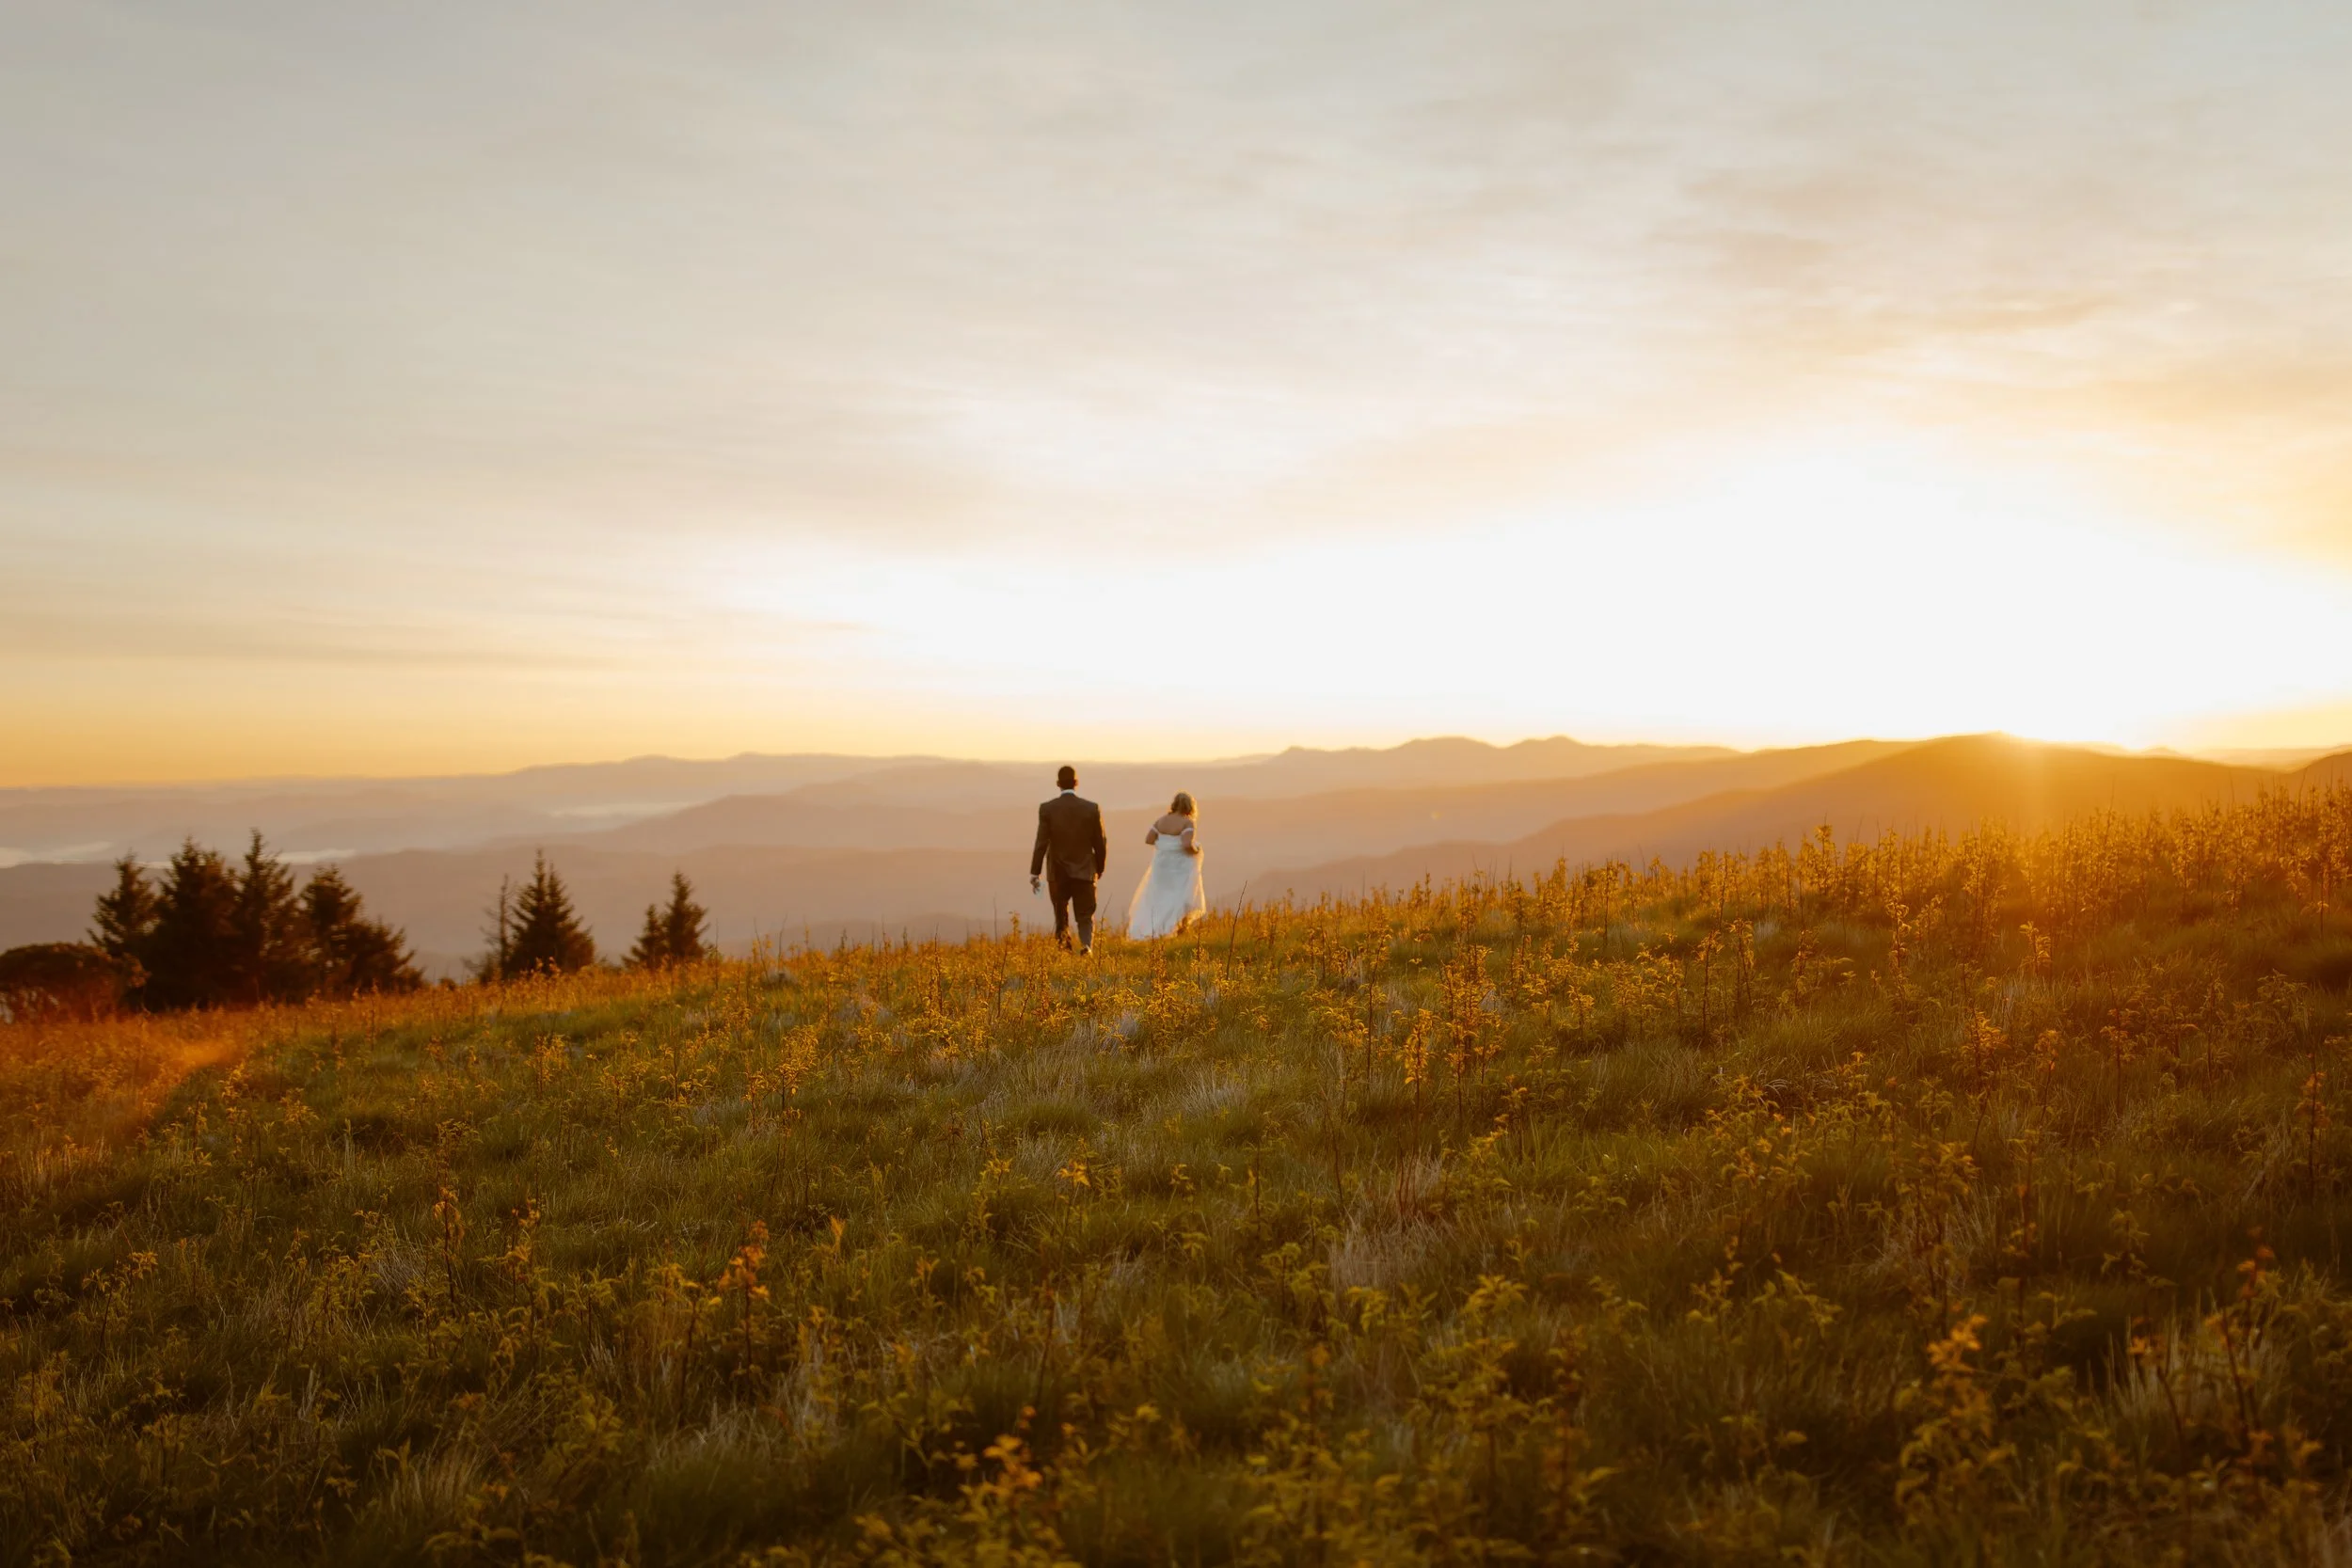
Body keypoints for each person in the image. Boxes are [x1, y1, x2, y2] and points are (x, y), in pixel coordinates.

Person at [1030, 765, 1107, 954]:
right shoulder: (1091, 809)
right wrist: (1099, 867)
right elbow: (1100, 842)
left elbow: (1041, 842)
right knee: (1085, 914)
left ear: (1058, 784)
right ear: (1076, 783)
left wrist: (1035, 871)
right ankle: (1087, 946)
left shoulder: (1047, 809)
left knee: (1060, 912)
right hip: (1085, 870)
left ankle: (1064, 948)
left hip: (1058, 871)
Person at [1127, 791, 1206, 940]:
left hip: (1161, 867)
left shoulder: (1161, 821)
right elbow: (1186, 844)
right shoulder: (1187, 822)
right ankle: (1175, 929)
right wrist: (1197, 850)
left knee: (1158, 896)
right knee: (1180, 896)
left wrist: (1165, 845)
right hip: (1179, 867)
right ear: (1190, 807)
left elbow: (1149, 840)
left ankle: (1153, 930)